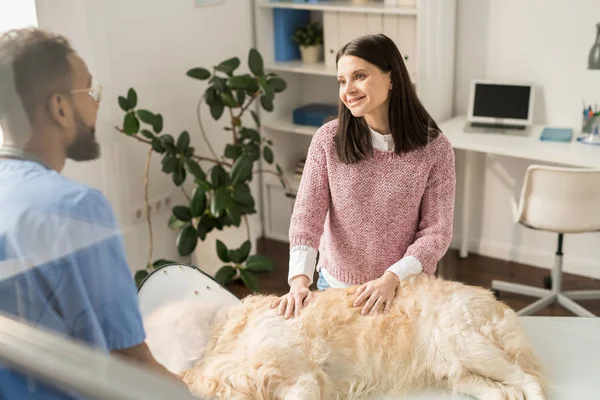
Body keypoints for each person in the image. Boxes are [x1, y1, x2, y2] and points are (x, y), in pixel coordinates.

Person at [0, 28, 181, 399]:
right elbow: (130, 360)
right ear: (60, 107)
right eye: (90, 91)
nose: (97, 104)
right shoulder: (74, 207)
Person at [272, 33, 456, 319]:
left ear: (391, 78)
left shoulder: (436, 150)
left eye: (359, 76)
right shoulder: (327, 140)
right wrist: (299, 282)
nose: (348, 90)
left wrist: (392, 278)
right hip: (336, 289)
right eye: (342, 81)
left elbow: (436, 232)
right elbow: (307, 217)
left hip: (403, 291)